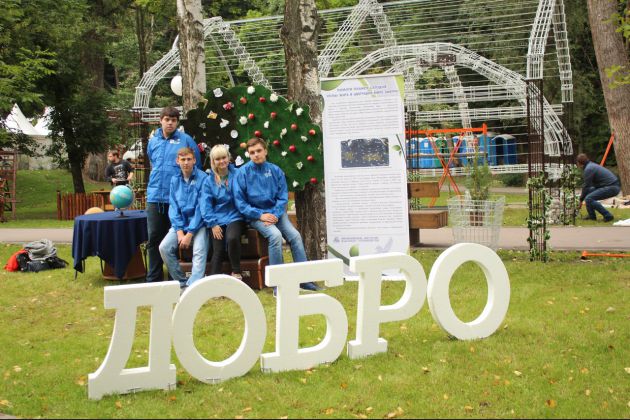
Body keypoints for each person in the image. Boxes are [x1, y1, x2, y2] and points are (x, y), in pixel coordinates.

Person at [233, 137, 322, 292]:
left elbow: (282, 197)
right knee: (275, 236)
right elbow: (240, 203)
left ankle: (304, 280)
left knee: (295, 236)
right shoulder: (242, 173)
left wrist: (274, 214)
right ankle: (278, 283)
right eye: (252, 152)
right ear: (248, 154)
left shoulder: (275, 170)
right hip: (256, 216)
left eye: (259, 151)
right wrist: (260, 215)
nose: (256, 155)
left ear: (265, 151)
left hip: (277, 214)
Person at [146, 106, 201, 282]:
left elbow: (196, 167)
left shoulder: (186, 140)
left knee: (175, 238)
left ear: (177, 122)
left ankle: (174, 279)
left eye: (173, 120)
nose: (170, 123)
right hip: (155, 196)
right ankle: (153, 279)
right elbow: (152, 162)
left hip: (177, 199)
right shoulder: (153, 141)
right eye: (167, 119)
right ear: (160, 120)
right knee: (154, 238)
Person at [158, 147, 208, 289]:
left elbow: (201, 209)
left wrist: (190, 233)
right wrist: (180, 232)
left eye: (189, 159)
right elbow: (173, 207)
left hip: (199, 224)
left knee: (198, 251)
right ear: (177, 161)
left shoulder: (203, 178)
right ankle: (181, 283)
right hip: (180, 224)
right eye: (183, 159)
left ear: (194, 160)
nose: (186, 163)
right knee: (164, 248)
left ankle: (194, 286)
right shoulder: (175, 180)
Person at [201, 144, 245, 280]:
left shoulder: (238, 174)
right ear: (213, 161)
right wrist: (212, 224)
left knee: (232, 238)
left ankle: (236, 272)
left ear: (229, 157)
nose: (222, 161)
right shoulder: (209, 180)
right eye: (218, 159)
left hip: (235, 216)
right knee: (218, 249)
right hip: (217, 219)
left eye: (224, 157)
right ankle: (213, 281)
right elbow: (205, 204)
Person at [577, 153, 620, 222]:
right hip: (611, 186)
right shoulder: (591, 165)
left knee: (589, 198)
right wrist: (582, 198)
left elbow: (586, 186)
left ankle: (608, 216)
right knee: (588, 194)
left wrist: (580, 200)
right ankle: (592, 216)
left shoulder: (589, 169)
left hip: (611, 187)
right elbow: (587, 187)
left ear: (579, 163)